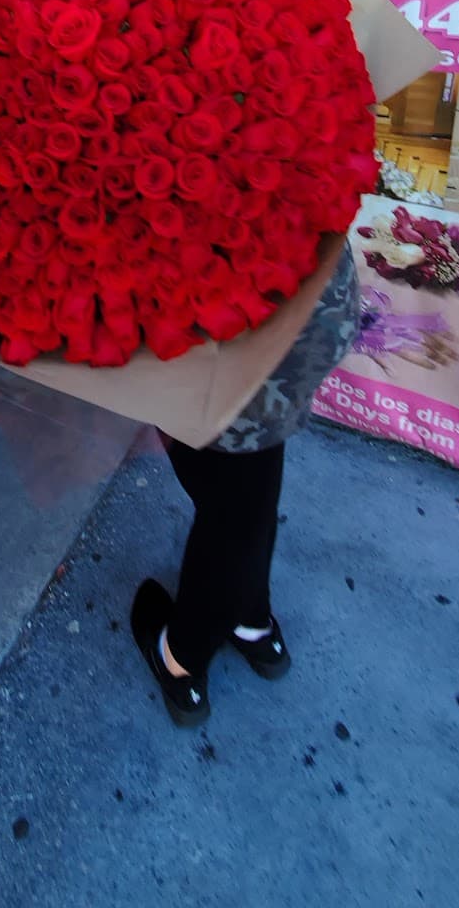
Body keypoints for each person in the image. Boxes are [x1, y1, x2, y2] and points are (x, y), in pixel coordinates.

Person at [130, 244, 360, 728]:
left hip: (234, 308)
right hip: (287, 293)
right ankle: (252, 622)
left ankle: (182, 657)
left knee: (230, 492)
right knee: (249, 472)